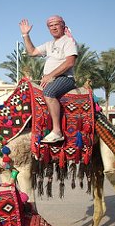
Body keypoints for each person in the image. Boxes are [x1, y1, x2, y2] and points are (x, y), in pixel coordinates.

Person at [19, 15, 78, 143]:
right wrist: (25, 35)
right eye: (51, 26)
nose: (53, 27)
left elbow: (70, 63)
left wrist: (50, 75)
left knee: (49, 93)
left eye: (56, 24)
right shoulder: (49, 44)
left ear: (63, 25)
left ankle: (57, 131)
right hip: (51, 79)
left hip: (65, 78)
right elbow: (32, 52)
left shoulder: (68, 41)